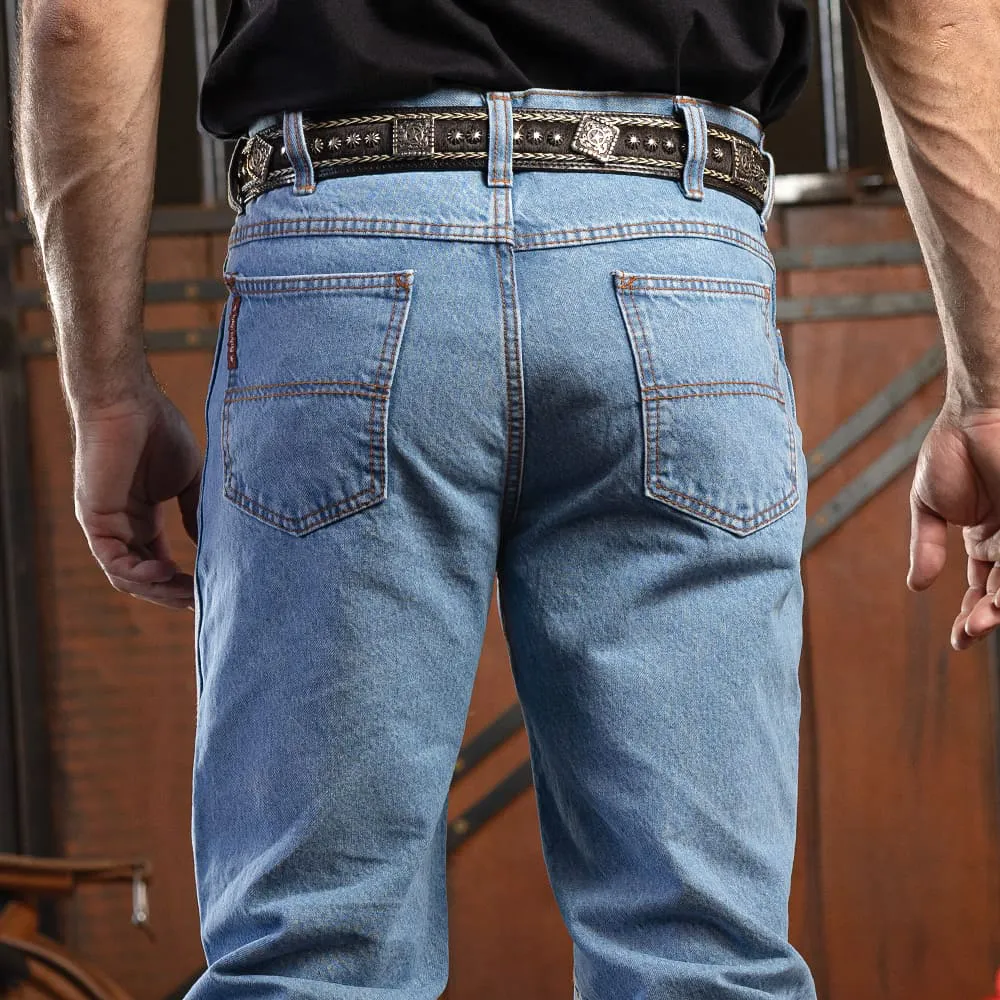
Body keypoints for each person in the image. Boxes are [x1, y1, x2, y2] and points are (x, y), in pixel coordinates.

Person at [11, 0, 999, 996]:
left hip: (345, 252)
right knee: (700, 959)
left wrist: (105, 386)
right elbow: (938, 15)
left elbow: (80, 19)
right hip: (674, 255)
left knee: (311, 956)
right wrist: (988, 394)